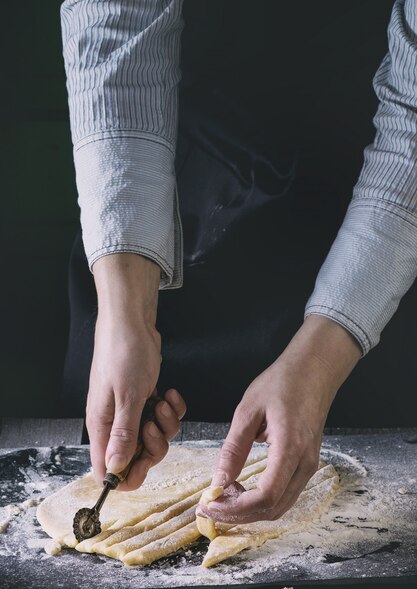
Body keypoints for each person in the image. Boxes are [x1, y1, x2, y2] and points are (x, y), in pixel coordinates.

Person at [59, 0, 417, 524]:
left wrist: (321, 360)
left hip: (377, 245)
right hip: (155, 214)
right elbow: (115, 33)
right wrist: (126, 314)